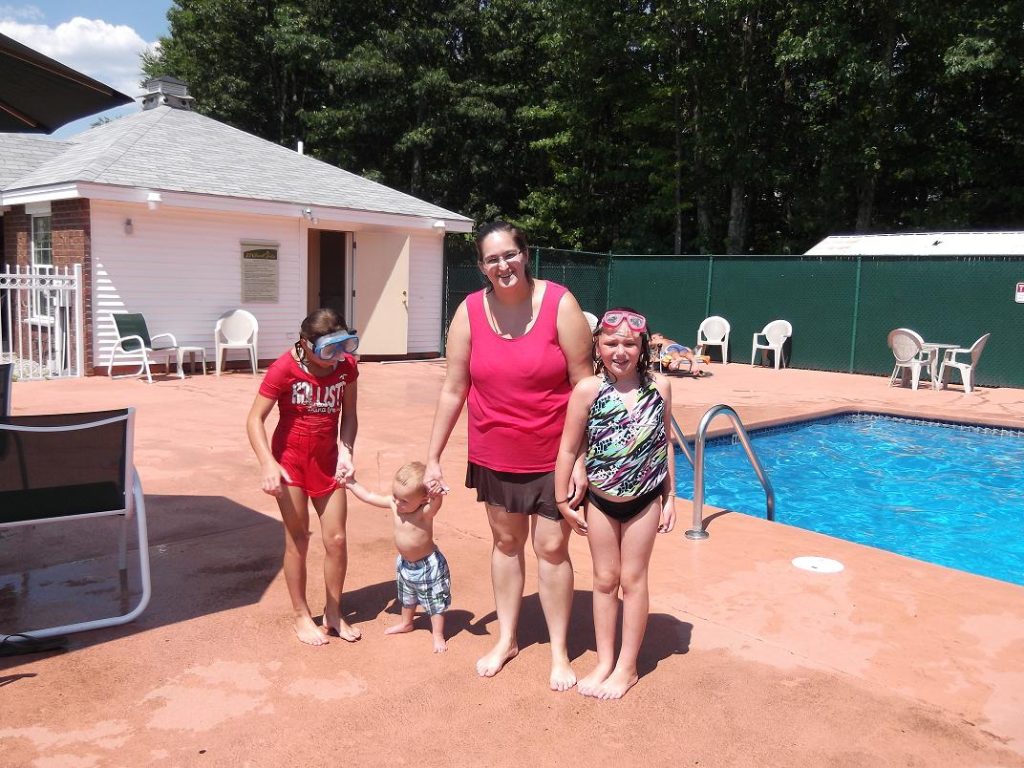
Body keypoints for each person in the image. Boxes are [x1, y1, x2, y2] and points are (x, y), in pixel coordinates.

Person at [425, 220, 593, 691]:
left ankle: (559, 650)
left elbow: (584, 384)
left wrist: (579, 456)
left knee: (552, 547)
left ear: (525, 254)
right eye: (492, 259)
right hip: (494, 449)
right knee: (505, 544)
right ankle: (508, 639)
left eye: (510, 254)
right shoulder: (470, 311)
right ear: (482, 266)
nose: (503, 265)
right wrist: (434, 455)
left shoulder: (561, 304)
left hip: (554, 453)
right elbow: (454, 388)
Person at [555, 308, 677, 699]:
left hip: (644, 500)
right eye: (611, 343)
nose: (620, 351)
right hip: (601, 502)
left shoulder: (659, 387)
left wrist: (670, 496)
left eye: (629, 343)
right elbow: (568, 447)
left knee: (633, 580)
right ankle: (605, 659)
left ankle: (627, 666)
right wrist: (562, 499)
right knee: (604, 581)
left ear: (643, 347)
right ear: (598, 345)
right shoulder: (588, 390)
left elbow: (666, 443)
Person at [246, 308, 360, 646]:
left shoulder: (346, 368)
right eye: (328, 351)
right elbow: (254, 420)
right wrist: (267, 463)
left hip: (327, 462)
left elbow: (350, 415)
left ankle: (334, 612)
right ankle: (300, 615)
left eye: (343, 347)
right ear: (305, 344)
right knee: (298, 539)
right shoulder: (284, 368)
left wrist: (347, 451)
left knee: (336, 540)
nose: (335, 358)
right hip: (291, 463)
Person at [346, 462, 450, 652]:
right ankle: (406, 623)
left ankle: (438, 635)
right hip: (405, 565)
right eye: (396, 496)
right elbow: (369, 496)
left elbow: (436, 504)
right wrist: (351, 483)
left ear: (423, 499)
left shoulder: (424, 513)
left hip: (428, 565)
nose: (397, 502)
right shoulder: (395, 505)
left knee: (435, 602)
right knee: (407, 597)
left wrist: (437, 492)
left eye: (404, 500)